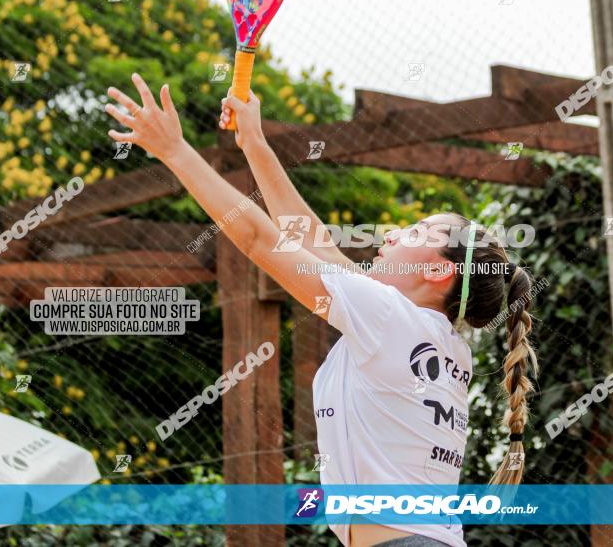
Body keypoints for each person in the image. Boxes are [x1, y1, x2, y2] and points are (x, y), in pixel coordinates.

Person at [104, 74, 538, 547]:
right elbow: (317, 247)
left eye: (415, 233)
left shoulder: (391, 318)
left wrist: (175, 152)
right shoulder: (435, 337)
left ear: (437, 272)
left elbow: (259, 238)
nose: (392, 234)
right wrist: (253, 141)